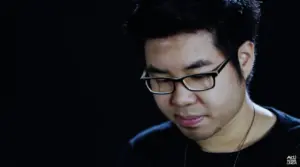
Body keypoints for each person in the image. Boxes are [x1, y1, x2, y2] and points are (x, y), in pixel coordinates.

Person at [117, 0, 300, 166]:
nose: (181, 99)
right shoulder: (144, 153)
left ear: (244, 60)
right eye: (162, 79)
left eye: (199, 76)